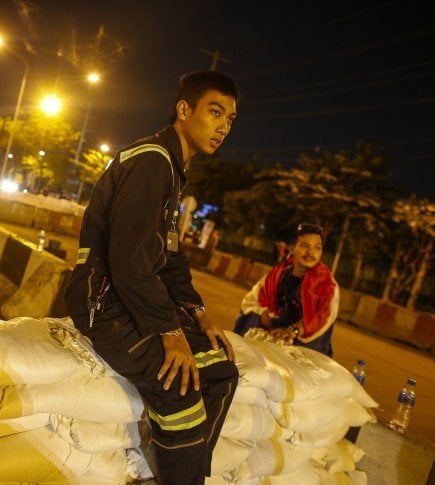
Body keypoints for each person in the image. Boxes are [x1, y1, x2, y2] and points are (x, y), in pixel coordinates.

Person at [65, 71, 239, 485]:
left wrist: (198, 314)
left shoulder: (173, 171)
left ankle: (182, 475)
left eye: (231, 119)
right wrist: (169, 331)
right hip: (103, 303)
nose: (223, 126)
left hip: (131, 302)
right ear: (184, 109)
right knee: (182, 395)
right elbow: (128, 262)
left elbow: (171, 260)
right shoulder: (151, 161)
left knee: (221, 371)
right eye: (215, 112)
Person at [233, 223, 340, 356]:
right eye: (305, 246)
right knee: (251, 317)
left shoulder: (327, 283)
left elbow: (322, 316)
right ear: (292, 248)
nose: (310, 252)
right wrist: (262, 312)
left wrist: (292, 331)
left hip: (303, 339)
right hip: (276, 329)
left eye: (317, 248)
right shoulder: (279, 274)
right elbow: (252, 299)